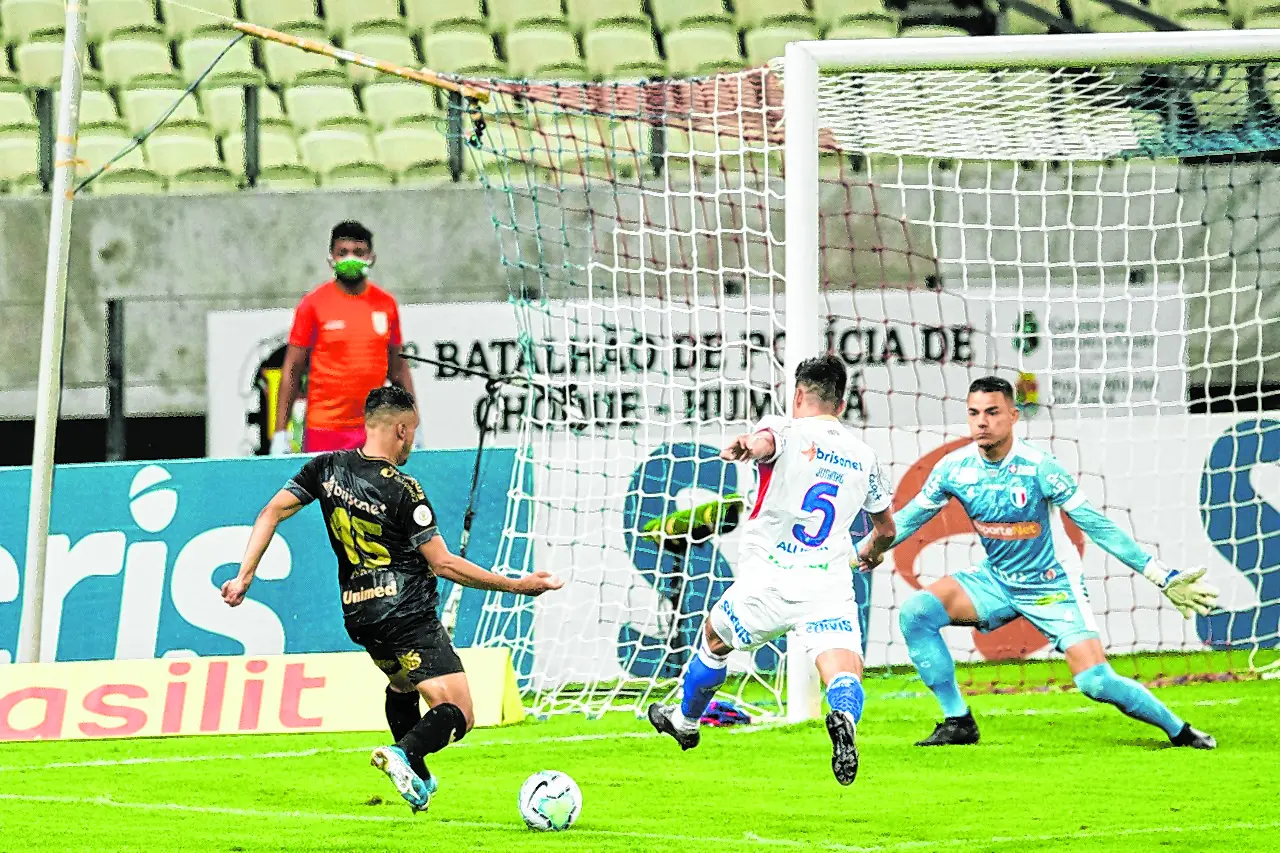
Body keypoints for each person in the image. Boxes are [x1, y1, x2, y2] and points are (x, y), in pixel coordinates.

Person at [223, 386, 563, 811]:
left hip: (359, 613)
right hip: (407, 613)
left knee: (402, 684)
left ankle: (416, 776)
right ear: (401, 429)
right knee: (459, 711)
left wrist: (244, 577)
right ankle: (403, 754)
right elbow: (444, 564)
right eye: (412, 432)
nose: (411, 444)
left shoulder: (325, 467)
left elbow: (270, 512)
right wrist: (517, 585)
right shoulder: (404, 489)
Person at [858, 376, 1219, 749]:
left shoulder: (1040, 467)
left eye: (992, 412)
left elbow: (1097, 526)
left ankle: (1180, 731)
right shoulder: (954, 468)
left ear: (1013, 416)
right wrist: (864, 551)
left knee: (1095, 682)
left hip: (1052, 585)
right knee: (916, 613)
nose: (982, 422)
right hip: (997, 581)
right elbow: (909, 518)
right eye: (974, 413)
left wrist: (1159, 574)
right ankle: (958, 721)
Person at [647, 354, 897, 786]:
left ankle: (686, 721)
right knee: (843, 669)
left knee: (714, 639)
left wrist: (748, 445)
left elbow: (765, 442)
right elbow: (887, 529)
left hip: (769, 581)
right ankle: (843, 718)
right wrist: (872, 551)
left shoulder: (784, 428)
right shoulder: (864, 456)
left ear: (798, 394)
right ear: (841, 404)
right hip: (827, 586)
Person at [270, 220, 418, 455]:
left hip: (374, 427)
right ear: (331, 257)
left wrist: (413, 423)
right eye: (343, 252)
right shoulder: (313, 304)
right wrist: (280, 432)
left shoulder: (385, 304)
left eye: (358, 253)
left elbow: (399, 370)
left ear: (371, 257)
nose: (351, 258)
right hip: (325, 429)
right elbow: (292, 369)